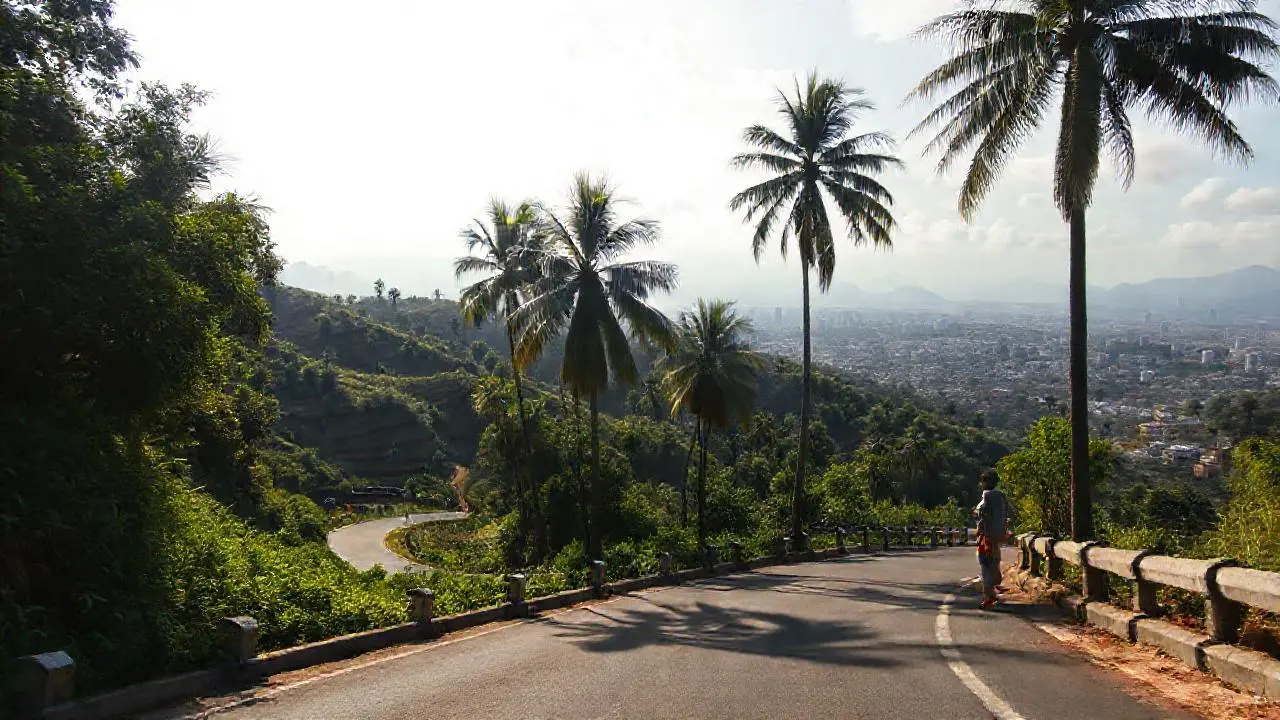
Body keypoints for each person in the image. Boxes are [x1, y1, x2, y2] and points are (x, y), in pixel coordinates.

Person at [974, 468, 1008, 610]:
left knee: (985, 566)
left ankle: (988, 597)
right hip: (997, 536)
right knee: (994, 563)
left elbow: (983, 519)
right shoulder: (1001, 497)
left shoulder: (986, 498)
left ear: (985, 482)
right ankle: (993, 592)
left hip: (986, 538)